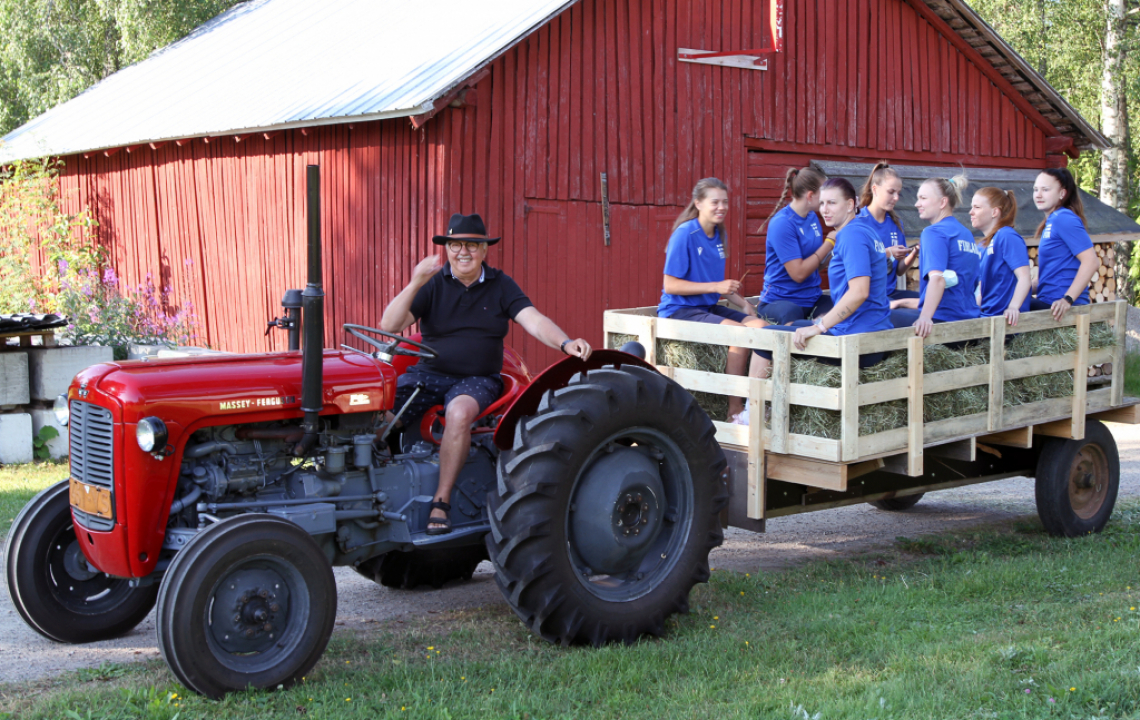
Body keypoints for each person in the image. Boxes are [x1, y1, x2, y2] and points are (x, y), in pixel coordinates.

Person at [380, 213, 592, 535]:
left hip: (478, 378)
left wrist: (565, 342)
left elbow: (533, 320)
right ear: (447, 249)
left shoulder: (500, 285)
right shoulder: (433, 284)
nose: (463, 252)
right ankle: (380, 488)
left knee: (459, 411)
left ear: (484, 250)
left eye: (471, 245)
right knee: (378, 409)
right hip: (430, 373)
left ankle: (442, 500)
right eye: (455, 245)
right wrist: (414, 283)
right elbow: (389, 326)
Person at [753, 178, 894, 372]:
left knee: (765, 337)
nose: (824, 209)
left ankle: (752, 403)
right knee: (801, 324)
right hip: (872, 334)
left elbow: (860, 292)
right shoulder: (865, 230)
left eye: (832, 203)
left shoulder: (852, 235)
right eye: (822, 203)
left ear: (850, 204)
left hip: (855, 341)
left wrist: (819, 327)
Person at [659, 177, 766, 421]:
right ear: (698, 203)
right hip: (680, 310)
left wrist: (743, 303)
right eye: (715, 202)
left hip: (707, 306)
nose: (722, 207)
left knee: (763, 328)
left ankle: (756, 404)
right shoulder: (685, 234)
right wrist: (717, 285)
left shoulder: (719, 234)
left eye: (725, 202)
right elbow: (670, 285)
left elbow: (714, 283)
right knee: (740, 335)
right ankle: (735, 410)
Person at [891, 175, 982, 338]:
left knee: (877, 317)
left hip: (944, 322)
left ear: (942, 202)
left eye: (923, 198)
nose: (916, 204)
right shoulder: (966, 233)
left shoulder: (933, 232)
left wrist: (925, 317)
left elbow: (938, 279)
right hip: (970, 322)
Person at [754, 167, 834, 325]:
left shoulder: (812, 217)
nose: (828, 200)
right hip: (779, 301)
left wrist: (835, 250)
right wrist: (829, 243)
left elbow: (815, 266)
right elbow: (798, 274)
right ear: (810, 196)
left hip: (811, 298)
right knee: (791, 313)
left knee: (840, 309)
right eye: (824, 196)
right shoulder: (782, 223)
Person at [1030, 168, 1098, 321]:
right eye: (1036, 189)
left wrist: (1068, 299)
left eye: (1045, 190)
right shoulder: (1052, 221)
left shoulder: (1064, 218)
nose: (1038, 195)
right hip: (1048, 301)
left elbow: (1091, 261)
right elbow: (1047, 275)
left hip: (1059, 306)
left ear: (1062, 193)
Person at [855, 162, 919, 301]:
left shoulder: (896, 223)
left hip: (890, 294)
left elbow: (900, 271)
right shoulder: (858, 222)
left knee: (927, 302)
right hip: (867, 298)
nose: (896, 198)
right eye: (891, 192)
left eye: (898, 193)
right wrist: (888, 252)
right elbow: (854, 262)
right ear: (875, 189)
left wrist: (914, 252)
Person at [970, 187, 1031, 326]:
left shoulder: (1007, 236)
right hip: (986, 317)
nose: (971, 212)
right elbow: (981, 288)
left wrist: (1014, 307)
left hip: (1004, 321)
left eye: (977, 207)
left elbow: (1024, 277)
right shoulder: (983, 245)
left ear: (994, 212)